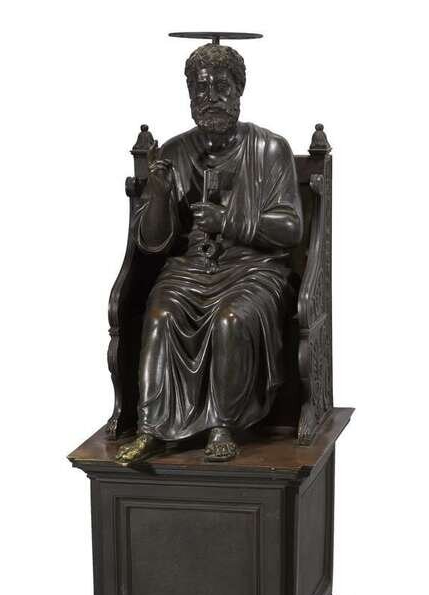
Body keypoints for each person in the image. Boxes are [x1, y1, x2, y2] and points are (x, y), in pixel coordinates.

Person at [116, 43, 303, 464]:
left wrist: (229, 221)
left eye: (222, 87)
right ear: (189, 95)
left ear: (239, 90)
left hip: (254, 269)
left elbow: (291, 228)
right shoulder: (175, 153)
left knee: (231, 320)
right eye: (201, 89)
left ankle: (223, 425)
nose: (211, 97)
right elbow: (152, 243)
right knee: (161, 316)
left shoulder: (270, 149)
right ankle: (150, 429)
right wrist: (158, 194)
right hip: (190, 270)